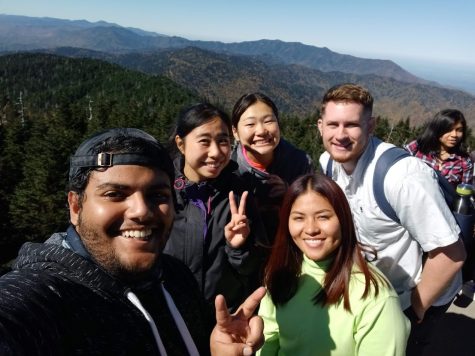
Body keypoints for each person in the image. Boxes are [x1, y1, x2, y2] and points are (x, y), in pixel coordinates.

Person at [0, 128, 265, 356]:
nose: (141, 211)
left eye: (157, 195)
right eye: (115, 194)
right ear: (75, 206)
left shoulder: (175, 278)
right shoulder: (49, 297)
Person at [317, 83, 466, 356]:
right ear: (320, 126)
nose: (340, 135)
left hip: (419, 293)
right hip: (381, 288)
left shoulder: (401, 177)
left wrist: (415, 309)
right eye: (332, 124)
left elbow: (451, 253)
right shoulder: (328, 162)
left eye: (352, 125)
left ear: (371, 126)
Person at [257, 173, 409, 355]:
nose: (311, 229)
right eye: (299, 218)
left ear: (344, 220)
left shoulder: (375, 296)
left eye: (323, 217)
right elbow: (269, 338)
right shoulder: (280, 273)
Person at [164, 103, 267, 312]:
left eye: (223, 141)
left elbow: (254, 269)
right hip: (171, 318)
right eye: (204, 141)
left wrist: (239, 248)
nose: (215, 152)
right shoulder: (162, 194)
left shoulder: (239, 195)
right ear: (181, 144)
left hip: (225, 320)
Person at [231, 92, 313, 244]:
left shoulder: (300, 162)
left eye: (269, 121)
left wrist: (291, 192)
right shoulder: (229, 171)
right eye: (250, 124)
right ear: (235, 132)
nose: (261, 131)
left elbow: (313, 212)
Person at [404, 108, 473, 187]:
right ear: (437, 129)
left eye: (459, 130)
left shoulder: (465, 161)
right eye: (449, 129)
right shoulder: (417, 148)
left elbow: (465, 192)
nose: (454, 135)